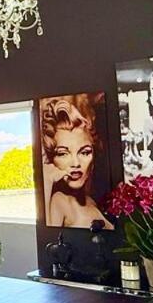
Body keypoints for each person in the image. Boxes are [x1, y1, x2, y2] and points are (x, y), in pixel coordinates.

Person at [40, 96, 113, 229]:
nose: (75, 163)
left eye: (84, 152)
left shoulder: (90, 201)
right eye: (62, 153)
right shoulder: (59, 200)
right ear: (52, 159)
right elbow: (48, 236)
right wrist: (46, 181)